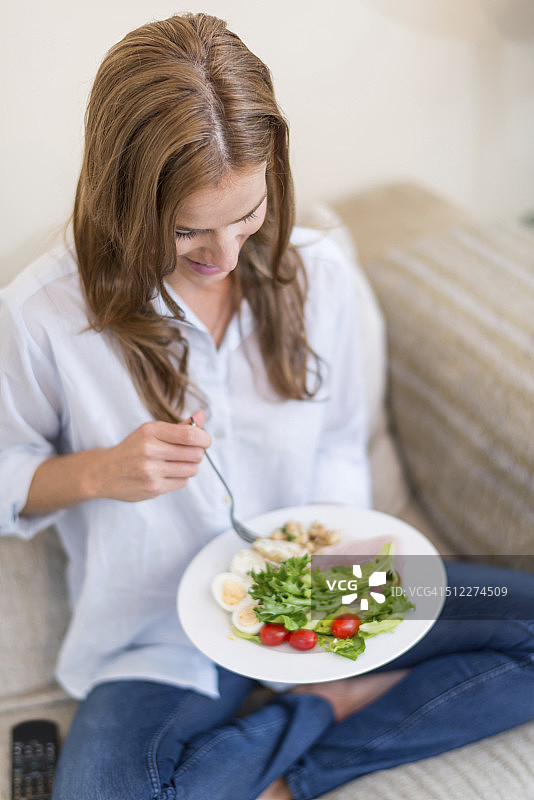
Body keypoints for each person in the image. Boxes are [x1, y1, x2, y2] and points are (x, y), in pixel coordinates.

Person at [0, 12, 533, 800]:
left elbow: (345, 437)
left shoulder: (320, 272)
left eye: (245, 216)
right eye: (187, 232)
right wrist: (100, 472)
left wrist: (333, 578)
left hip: (330, 587)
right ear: (125, 200)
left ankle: (304, 745)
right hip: (160, 638)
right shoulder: (42, 313)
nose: (223, 258)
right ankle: (324, 707)